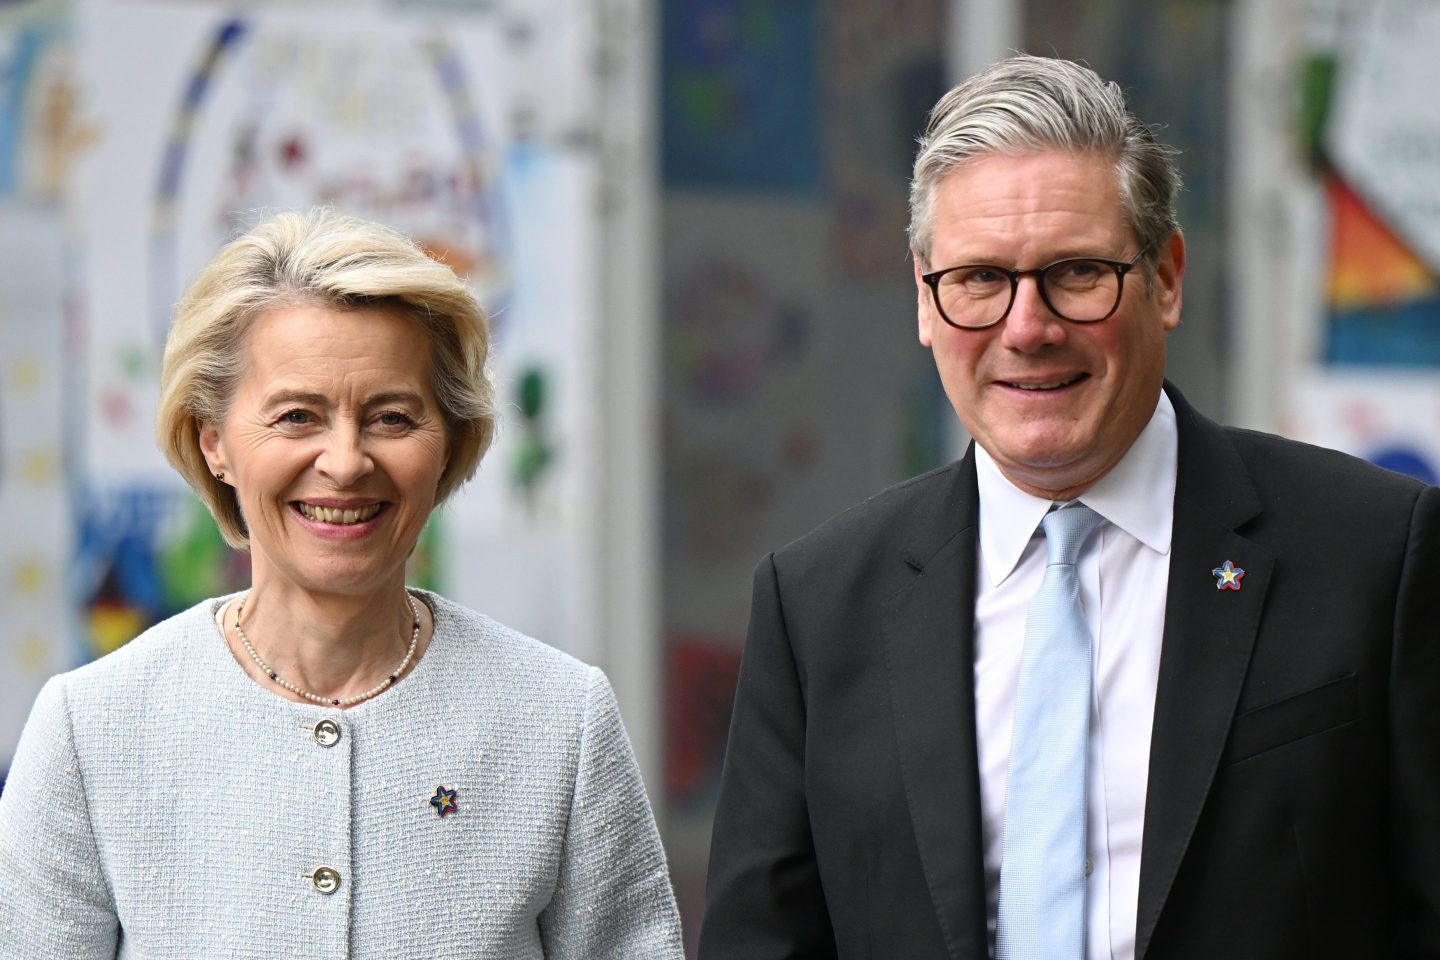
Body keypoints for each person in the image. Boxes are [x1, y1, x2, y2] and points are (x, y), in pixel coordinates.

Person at [699, 55, 1439, 960]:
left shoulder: (1377, 555)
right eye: (978, 280)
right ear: (925, 300)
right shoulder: (815, 605)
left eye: (1077, 272)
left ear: (1165, 278)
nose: (1026, 327)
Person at [0, 210, 684, 958]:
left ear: (449, 440)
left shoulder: (559, 723)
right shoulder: (90, 733)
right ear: (214, 441)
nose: (347, 461)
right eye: (297, 417)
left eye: (392, 417)